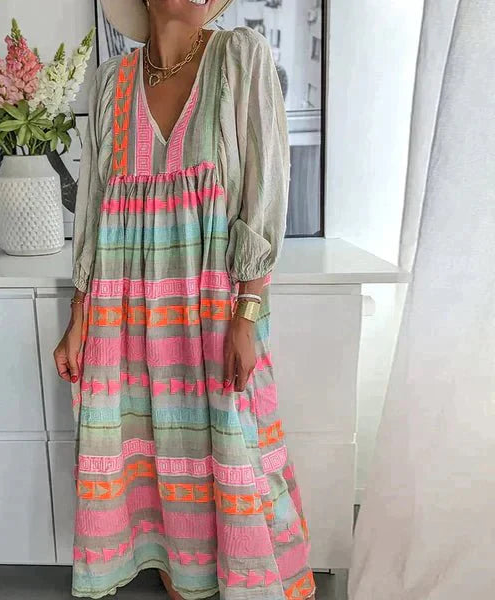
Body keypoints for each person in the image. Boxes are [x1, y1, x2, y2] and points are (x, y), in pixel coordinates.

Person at [53, 1, 316, 599]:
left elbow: (266, 186)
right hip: (122, 310)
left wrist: (248, 313)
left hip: (212, 306)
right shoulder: (112, 83)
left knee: (231, 446)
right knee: (151, 450)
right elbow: (92, 208)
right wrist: (79, 315)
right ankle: (181, 576)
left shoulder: (239, 57)